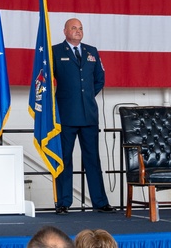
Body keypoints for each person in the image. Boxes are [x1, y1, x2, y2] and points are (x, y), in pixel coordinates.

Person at [51, 17, 113, 214]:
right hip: (65, 116)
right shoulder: (54, 51)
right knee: (64, 160)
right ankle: (63, 202)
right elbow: (44, 79)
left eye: (80, 28)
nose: (78, 31)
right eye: (74, 28)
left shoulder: (91, 52)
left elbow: (99, 79)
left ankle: (100, 202)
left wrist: (83, 96)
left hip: (88, 116)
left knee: (93, 160)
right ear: (65, 31)